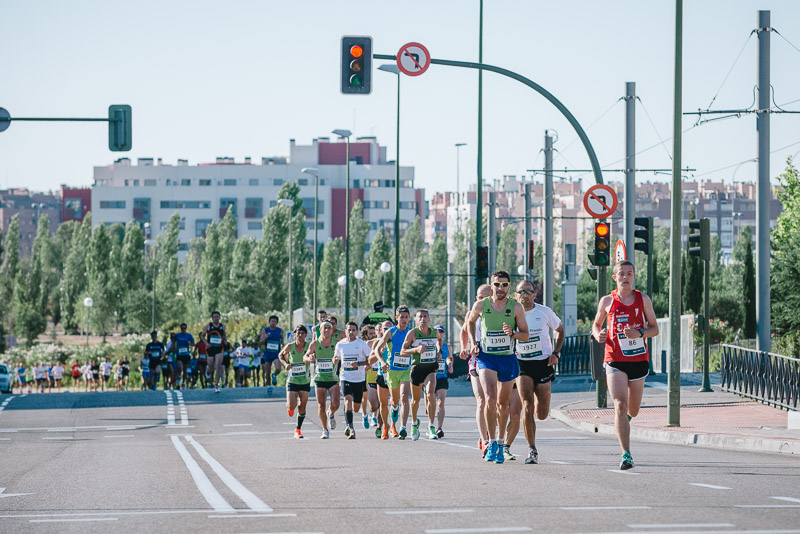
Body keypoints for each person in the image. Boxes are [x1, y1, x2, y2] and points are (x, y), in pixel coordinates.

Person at [592, 259, 658, 470]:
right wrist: (598, 335)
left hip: (638, 359)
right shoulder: (607, 301)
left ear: (634, 276)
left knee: (634, 409)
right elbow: (596, 324)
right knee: (619, 405)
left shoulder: (643, 299)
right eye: (621, 274)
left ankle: (627, 418)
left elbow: (654, 329)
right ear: (615, 277)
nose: (625, 277)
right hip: (614, 358)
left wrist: (639, 332)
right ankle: (626, 454)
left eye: (629, 273)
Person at [466, 270, 529, 464]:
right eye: (497, 284)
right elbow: (469, 322)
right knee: (490, 399)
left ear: (509, 287)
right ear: (491, 285)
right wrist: (473, 343)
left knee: (503, 404)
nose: (500, 288)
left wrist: (513, 333)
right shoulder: (481, 305)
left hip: (507, 358)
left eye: (504, 285)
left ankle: (501, 443)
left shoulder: (516, 307)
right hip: (487, 358)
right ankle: (491, 442)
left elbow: (525, 335)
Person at [513, 279, 565, 464]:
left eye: (529, 292)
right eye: (521, 292)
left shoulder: (544, 312)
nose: (525, 295)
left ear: (535, 295)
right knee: (526, 406)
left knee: (541, 413)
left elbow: (560, 330)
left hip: (543, 362)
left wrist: (555, 353)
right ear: (515, 295)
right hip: (522, 364)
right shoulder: (511, 313)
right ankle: (532, 450)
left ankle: (538, 403)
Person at [371, 306, 413, 439]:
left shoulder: (411, 332)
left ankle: (403, 427)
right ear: (397, 318)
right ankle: (387, 424)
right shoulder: (391, 332)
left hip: (405, 370)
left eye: (406, 317)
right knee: (394, 401)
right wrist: (382, 362)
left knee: (404, 397)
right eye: (402, 317)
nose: (404, 319)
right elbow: (377, 349)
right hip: (392, 371)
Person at [400, 309, 442, 441]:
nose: (423, 319)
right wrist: (416, 349)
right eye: (420, 317)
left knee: (430, 394)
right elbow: (402, 351)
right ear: (416, 320)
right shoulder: (412, 333)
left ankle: (431, 426)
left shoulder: (434, 332)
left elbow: (439, 341)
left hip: (430, 367)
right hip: (417, 368)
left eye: (425, 317)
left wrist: (439, 350)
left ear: (429, 319)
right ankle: (414, 423)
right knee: (415, 400)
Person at [460, 284, 492, 453]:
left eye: (486, 297)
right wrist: (464, 346)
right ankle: (484, 439)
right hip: (476, 358)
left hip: (495, 359)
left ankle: (491, 434)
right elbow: (464, 330)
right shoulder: (471, 313)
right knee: (481, 400)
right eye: (480, 298)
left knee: (493, 400)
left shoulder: (499, 311)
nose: (482, 301)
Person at [335, 321, 372, 439]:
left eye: (353, 330)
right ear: (345, 331)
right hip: (345, 377)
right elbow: (335, 358)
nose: (351, 332)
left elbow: (371, 359)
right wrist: (335, 360)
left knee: (356, 408)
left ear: (357, 331)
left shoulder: (361, 344)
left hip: (359, 378)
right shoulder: (340, 345)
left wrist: (360, 363)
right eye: (348, 330)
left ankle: (350, 416)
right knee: (347, 401)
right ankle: (351, 429)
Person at [303, 321, 340, 439]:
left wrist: (338, 359)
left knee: (336, 403)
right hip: (319, 378)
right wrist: (310, 358)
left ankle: (331, 412)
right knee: (321, 404)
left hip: (333, 378)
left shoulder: (337, 343)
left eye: (329, 328)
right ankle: (325, 429)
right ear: (320, 330)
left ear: (332, 330)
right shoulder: (314, 344)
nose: (326, 330)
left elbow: (344, 355)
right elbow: (305, 357)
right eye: (324, 328)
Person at [279, 325, 311, 439]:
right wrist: (286, 364)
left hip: (305, 381)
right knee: (292, 406)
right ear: (294, 335)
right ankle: (290, 407)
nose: (300, 335)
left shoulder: (309, 346)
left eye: (303, 333)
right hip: (292, 380)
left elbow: (314, 354)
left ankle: (298, 430)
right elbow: (280, 355)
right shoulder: (290, 346)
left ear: (306, 335)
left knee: (302, 407)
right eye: (298, 333)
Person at [373, 320, 394, 440]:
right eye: (385, 328)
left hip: (395, 374)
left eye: (390, 328)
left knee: (395, 402)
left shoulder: (397, 340)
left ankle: (394, 426)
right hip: (381, 375)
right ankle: (385, 426)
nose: (387, 331)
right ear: (381, 330)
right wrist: (379, 358)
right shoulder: (377, 343)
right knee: (382, 404)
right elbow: (370, 358)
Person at [433, 325, 453, 438]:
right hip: (430, 377)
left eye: (441, 331)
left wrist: (450, 364)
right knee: (430, 403)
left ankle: (439, 427)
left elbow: (449, 357)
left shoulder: (447, 347)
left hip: (442, 377)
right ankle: (431, 424)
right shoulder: (430, 345)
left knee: (440, 401)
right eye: (437, 331)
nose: (439, 333)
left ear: (444, 334)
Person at [200, 311, 227, 393]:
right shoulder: (208, 326)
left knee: (218, 365)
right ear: (212, 318)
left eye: (217, 316)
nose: (216, 318)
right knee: (211, 367)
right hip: (210, 348)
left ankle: (216, 385)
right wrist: (206, 343)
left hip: (219, 348)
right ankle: (208, 372)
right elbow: (202, 335)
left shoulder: (223, 326)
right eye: (214, 316)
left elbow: (224, 335)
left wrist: (225, 340)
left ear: (219, 317)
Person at [360, 324, 380, 433]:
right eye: (370, 334)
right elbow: (362, 359)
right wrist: (365, 365)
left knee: (378, 401)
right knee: (365, 398)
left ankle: (374, 417)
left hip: (378, 376)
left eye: (374, 333)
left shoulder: (382, 343)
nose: (373, 335)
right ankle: (364, 415)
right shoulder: (365, 345)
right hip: (366, 376)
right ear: (366, 335)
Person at [260, 316, 283, 394]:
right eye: (272, 321)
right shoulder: (265, 330)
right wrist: (265, 338)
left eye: (275, 321)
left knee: (278, 368)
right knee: (267, 371)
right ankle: (269, 385)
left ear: (277, 323)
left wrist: (283, 345)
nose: (273, 322)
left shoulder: (280, 330)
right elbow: (260, 343)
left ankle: (274, 375)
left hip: (276, 353)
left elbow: (282, 340)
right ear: (269, 322)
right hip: (268, 353)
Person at [175, 323, 195, 390]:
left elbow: (193, 344)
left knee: (185, 370)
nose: (183, 329)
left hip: (186, 354)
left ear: (186, 328)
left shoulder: (189, 335)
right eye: (182, 328)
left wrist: (190, 343)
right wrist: (174, 347)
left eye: (184, 328)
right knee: (179, 367)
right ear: (180, 329)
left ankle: (183, 383)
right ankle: (178, 378)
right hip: (179, 354)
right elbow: (173, 342)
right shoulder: (177, 335)